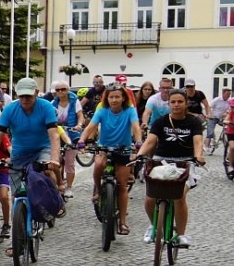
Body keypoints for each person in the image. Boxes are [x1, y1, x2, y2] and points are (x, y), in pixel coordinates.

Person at [0, 77, 63, 251]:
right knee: (16, 198)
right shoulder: (10, 109)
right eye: (21, 96)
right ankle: (18, 241)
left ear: (36, 93)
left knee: (46, 172)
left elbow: (54, 135)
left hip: (42, 149)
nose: (25, 99)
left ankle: (55, 198)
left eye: (28, 95)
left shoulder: (46, 107)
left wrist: (54, 159)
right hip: (19, 154)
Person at [135, 89, 206, 246]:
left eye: (180, 102)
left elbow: (198, 141)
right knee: (150, 197)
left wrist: (198, 156)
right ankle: (153, 226)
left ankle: (181, 234)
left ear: (186, 104)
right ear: (168, 104)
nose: (176, 105)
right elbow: (150, 141)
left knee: (179, 197)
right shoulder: (161, 122)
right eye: (173, 102)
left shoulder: (194, 122)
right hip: (161, 161)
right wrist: (139, 154)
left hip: (185, 162)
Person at [77, 84, 142, 235]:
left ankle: (123, 222)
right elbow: (90, 127)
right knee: (98, 165)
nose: (114, 100)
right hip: (104, 147)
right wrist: (81, 140)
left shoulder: (130, 110)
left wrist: (138, 142)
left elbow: (136, 127)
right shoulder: (102, 111)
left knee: (122, 185)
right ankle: (98, 191)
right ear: (107, 98)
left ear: (123, 98)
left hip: (123, 149)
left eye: (117, 97)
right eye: (111, 97)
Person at [50, 80, 84, 197]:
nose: (60, 92)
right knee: (55, 160)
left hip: (72, 134)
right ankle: (57, 184)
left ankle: (69, 187)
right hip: (57, 134)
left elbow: (80, 116)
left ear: (67, 90)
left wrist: (79, 125)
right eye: (57, 90)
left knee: (69, 162)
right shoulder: (52, 103)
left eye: (63, 89)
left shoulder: (74, 101)